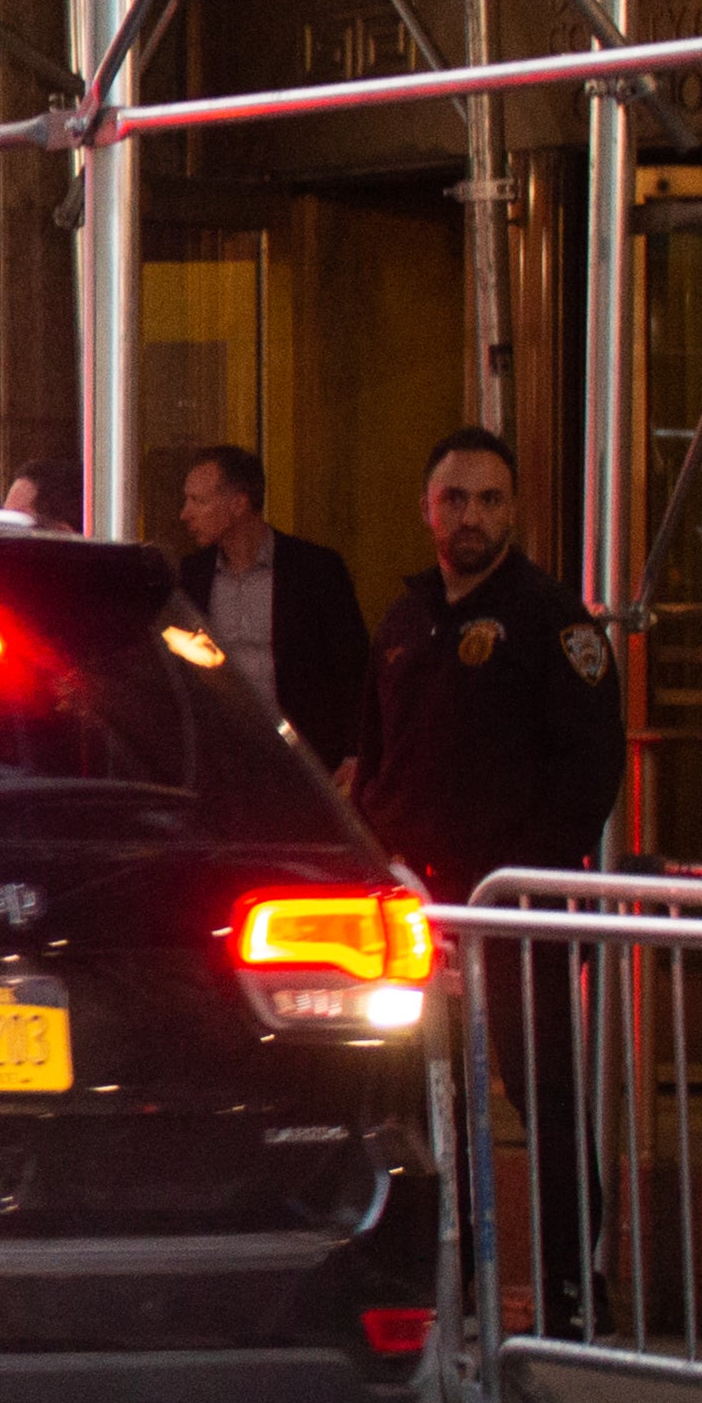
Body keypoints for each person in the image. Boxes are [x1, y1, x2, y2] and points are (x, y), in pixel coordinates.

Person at [356, 427, 626, 1313]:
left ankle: (566, 1286)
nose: (470, 516)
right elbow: (376, 757)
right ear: (425, 508)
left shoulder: (551, 620)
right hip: (411, 912)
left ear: (512, 509)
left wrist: (529, 875)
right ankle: (449, 1275)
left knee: (539, 1089)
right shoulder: (403, 619)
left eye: (489, 499)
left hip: (513, 905)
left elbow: (589, 767)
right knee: (423, 1100)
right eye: (453, 499)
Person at [172, 443, 375, 774]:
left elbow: (352, 668)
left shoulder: (314, 570)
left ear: (239, 503)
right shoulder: (191, 576)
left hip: (302, 759)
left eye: (198, 500)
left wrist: (354, 754)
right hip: (220, 760)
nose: (185, 513)